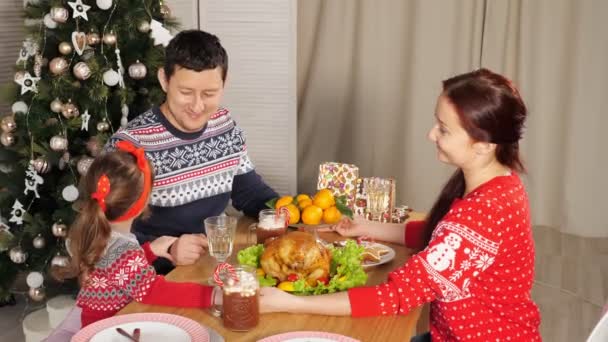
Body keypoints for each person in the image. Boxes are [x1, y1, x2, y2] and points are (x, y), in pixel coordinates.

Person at [259, 69, 542, 341]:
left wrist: (290, 302)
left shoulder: (484, 213)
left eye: (443, 130)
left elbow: (394, 296)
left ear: (483, 144)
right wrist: (370, 227)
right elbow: (445, 241)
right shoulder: (502, 182)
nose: (431, 135)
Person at [107, 30, 278, 273]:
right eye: (186, 92)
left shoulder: (224, 125)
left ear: (224, 84)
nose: (198, 106)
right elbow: (106, 238)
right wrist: (168, 249)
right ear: (164, 80)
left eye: (209, 94)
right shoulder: (130, 146)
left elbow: (248, 192)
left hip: (205, 265)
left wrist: (290, 211)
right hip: (151, 279)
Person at [53, 141, 219, 328]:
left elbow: (117, 271)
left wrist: (148, 251)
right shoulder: (123, 248)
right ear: (142, 202)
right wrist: (213, 295)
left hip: (98, 325)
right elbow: (153, 290)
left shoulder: (98, 232)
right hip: (111, 332)